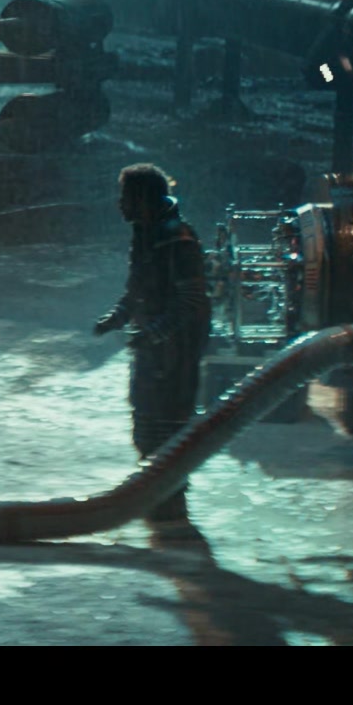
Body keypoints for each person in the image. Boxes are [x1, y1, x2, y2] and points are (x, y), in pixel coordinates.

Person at [93, 162, 214, 526]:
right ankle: (158, 501)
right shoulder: (148, 234)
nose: (120, 204)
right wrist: (117, 318)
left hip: (175, 356)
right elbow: (138, 289)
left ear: (143, 198)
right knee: (147, 426)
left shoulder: (177, 238)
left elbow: (190, 301)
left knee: (168, 430)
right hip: (154, 350)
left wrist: (154, 333)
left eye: (126, 196)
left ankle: (171, 505)